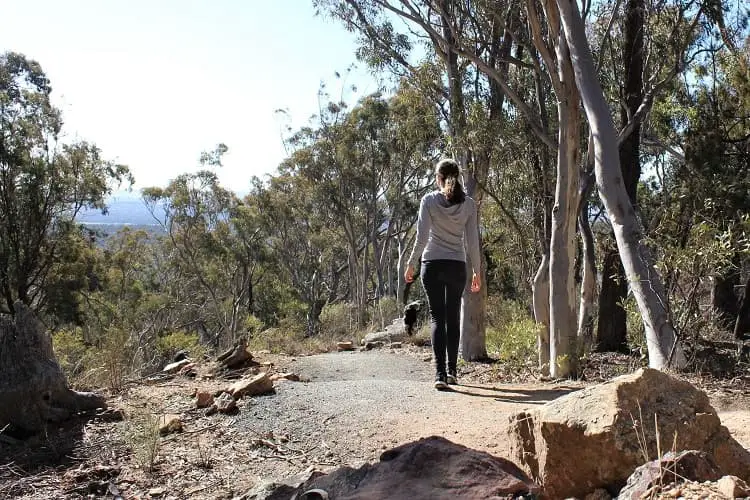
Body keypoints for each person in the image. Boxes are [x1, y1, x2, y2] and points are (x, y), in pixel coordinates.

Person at [404, 158, 481, 390]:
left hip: (432, 266)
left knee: (438, 318)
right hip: (456, 266)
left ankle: (439, 374)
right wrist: (477, 270)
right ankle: (453, 372)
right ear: (456, 177)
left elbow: (422, 237)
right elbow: (472, 242)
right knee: (453, 317)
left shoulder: (428, 201)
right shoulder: (468, 205)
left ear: (438, 178)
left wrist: (411, 263)